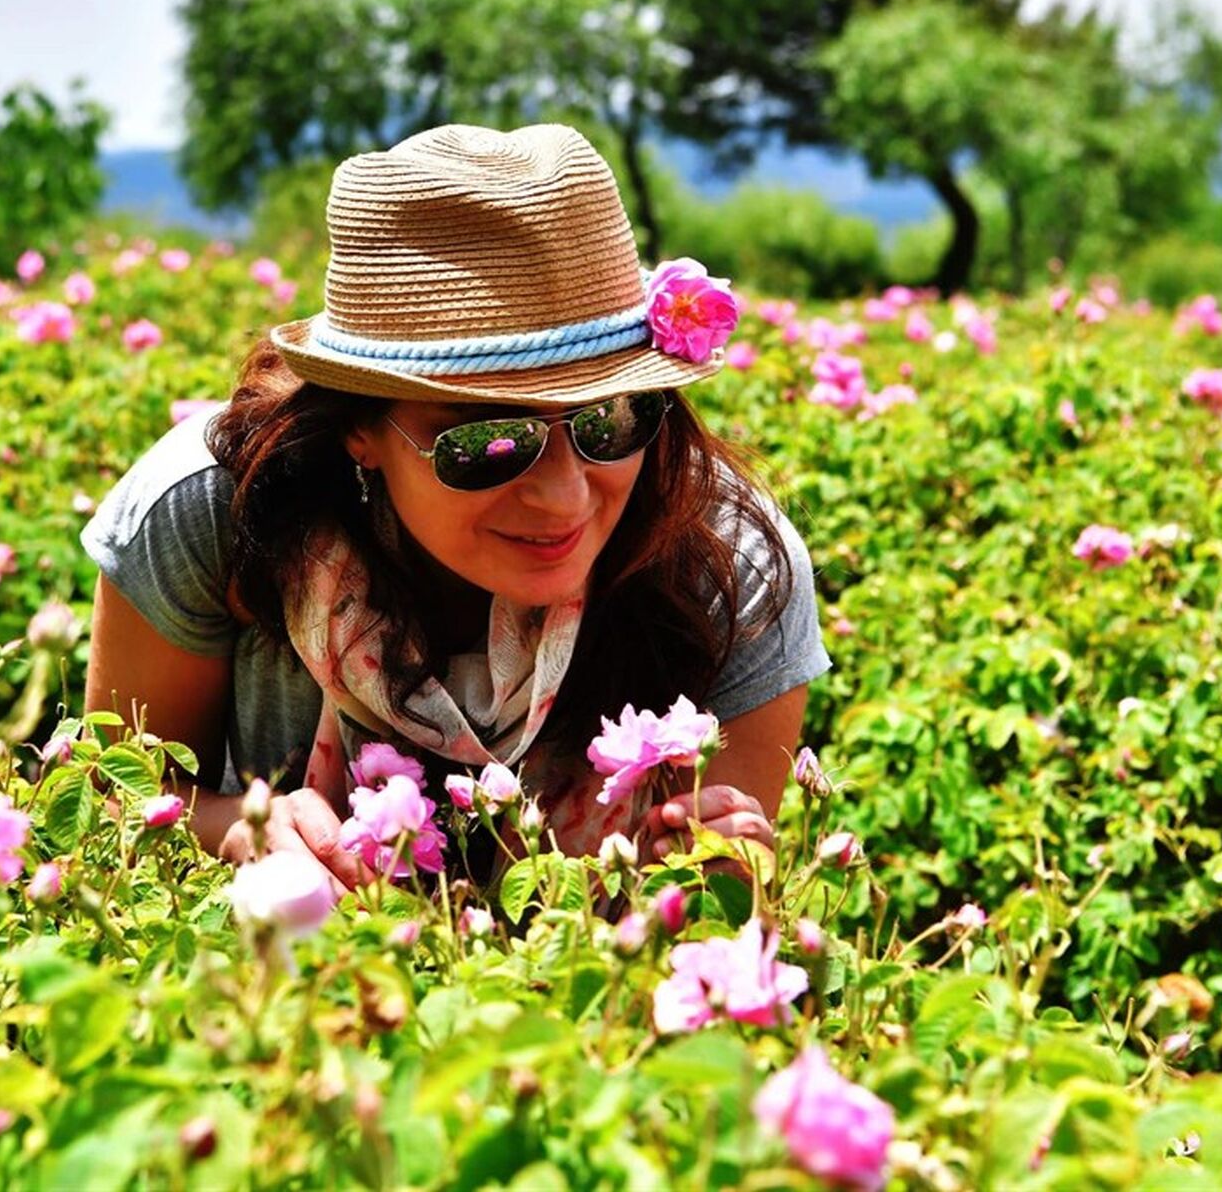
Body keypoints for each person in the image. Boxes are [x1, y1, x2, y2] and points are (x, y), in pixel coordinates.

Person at [81, 123, 830, 892]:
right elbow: (108, 805)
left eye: (613, 420)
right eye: (490, 441)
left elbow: (723, 927)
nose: (565, 496)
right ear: (360, 429)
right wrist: (239, 829)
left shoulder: (732, 564)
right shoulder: (210, 509)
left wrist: (708, 877)